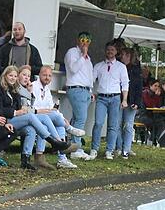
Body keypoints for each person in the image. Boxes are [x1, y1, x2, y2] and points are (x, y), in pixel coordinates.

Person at [0, 65, 70, 170]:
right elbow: (0, 109)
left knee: (32, 128)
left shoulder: (15, 90)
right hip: (6, 120)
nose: (13, 78)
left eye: (15, 76)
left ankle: (25, 160)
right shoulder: (0, 89)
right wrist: (16, 112)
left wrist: (30, 94)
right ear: (5, 76)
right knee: (31, 117)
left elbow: (28, 106)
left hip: (18, 119)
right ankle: (52, 141)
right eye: (10, 76)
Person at [30, 65, 84, 169]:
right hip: (35, 116)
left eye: (50, 76)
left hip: (46, 118)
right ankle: (69, 131)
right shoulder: (33, 86)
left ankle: (62, 159)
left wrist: (63, 119)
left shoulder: (47, 89)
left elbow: (52, 107)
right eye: (45, 75)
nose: (47, 77)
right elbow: (33, 107)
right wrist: (49, 111)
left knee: (60, 125)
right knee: (55, 116)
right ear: (39, 75)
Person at [89, 41, 129, 160]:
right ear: (105, 51)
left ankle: (109, 150)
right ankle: (94, 149)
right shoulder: (98, 66)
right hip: (101, 97)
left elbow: (125, 84)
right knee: (98, 123)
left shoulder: (121, 67)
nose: (110, 52)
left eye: (112, 50)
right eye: (108, 50)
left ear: (116, 52)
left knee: (113, 126)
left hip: (115, 98)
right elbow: (91, 80)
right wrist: (92, 93)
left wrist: (125, 99)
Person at [64, 32, 94, 160]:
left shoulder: (88, 58)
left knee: (77, 118)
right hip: (76, 88)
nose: (85, 43)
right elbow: (73, 69)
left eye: (87, 40)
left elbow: (89, 75)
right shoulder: (72, 52)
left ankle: (72, 145)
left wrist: (91, 91)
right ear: (78, 40)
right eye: (82, 40)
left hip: (85, 90)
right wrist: (83, 55)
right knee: (81, 118)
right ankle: (76, 149)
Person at [117, 47, 143, 159]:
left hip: (131, 101)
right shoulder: (117, 67)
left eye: (123, 54)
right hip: (118, 99)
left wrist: (137, 102)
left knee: (128, 125)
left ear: (128, 56)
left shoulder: (136, 70)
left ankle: (126, 149)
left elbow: (138, 87)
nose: (121, 56)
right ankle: (118, 147)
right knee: (116, 125)